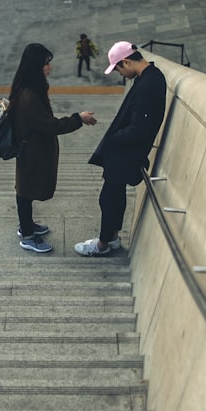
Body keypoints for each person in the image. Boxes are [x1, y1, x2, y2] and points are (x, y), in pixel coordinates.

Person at [74, 42, 166, 257]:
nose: (120, 73)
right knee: (114, 195)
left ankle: (102, 244)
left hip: (127, 151)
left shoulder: (148, 84)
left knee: (108, 198)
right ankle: (112, 237)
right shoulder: (151, 76)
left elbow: (140, 127)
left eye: (118, 68)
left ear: (126, 61)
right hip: (128, 151)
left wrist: (115, 139)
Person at [10, 43, 97, 253]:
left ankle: (27, 225)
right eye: (46, 64)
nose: (50, 67)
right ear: (36, 66)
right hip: (31, 150)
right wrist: (78, 118)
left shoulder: (31, 88)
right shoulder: (28, 97)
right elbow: (50, 126)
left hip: (33, 148)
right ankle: (27, 235)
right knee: (25, 190)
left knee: (27, 188)